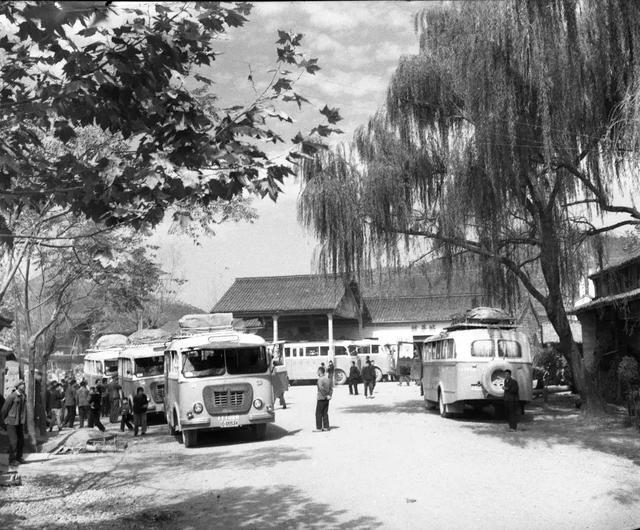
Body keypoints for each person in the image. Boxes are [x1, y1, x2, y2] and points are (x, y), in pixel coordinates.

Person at [1, 380, 27, 466]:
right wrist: (4, 421)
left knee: (21, 441)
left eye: (24, 384)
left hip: (19, 422)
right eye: (22, 384)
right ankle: (11, 460)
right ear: (18, 386)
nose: (24, 386)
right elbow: (4, 410)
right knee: (13, 441)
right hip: (11, 422)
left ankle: (19, 457)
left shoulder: (23, 396)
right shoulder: (12, 396)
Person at [315, 366, 333, 432]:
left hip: (321, 398)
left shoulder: (320, 380)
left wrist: (325, 395)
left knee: (318, 413)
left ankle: (319, 428)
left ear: (320, 372)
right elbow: (331, 388)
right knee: (325, 413)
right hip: (327, 399)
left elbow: (321, 388)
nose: (317, 372)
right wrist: (329, 395)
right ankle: (326, 427)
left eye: (317, 371)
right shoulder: (328, 379)